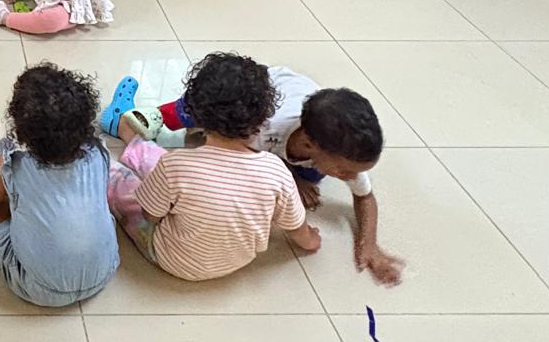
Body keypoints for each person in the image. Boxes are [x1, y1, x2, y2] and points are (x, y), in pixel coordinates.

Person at [136, 65, 403, 285]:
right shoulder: (259, 128)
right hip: (257, 93)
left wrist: (369, 244)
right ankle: (158, 114)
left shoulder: (342, 152)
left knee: (308, 179)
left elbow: (365, 197)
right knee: (200, 110)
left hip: (301, 123)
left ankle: (300, 172)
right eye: (343, 170)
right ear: (309, 144)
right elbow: (237, 164)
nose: (347, 176)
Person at [106, 52, 322, 281]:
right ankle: (132, 138)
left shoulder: (176, 165)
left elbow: (150, 216)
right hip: (235, 262)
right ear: (262, 120)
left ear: (196, 116)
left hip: (171, 257)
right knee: (170, 175)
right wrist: (312, 240)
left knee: (126, 186)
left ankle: (110, 146)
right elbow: (298, 228)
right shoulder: (277, 171)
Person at [0, 65, 119, 307]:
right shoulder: (98, 152)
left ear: (22, 132)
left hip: (40, 289)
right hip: (104, 272)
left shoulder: (15, 162)